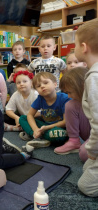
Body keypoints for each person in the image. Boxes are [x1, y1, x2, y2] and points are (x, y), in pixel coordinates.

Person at [74, 18, 98, 197]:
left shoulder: (94, 78)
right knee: (85, 168)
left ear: (83, 47)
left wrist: (92, 151)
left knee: (86, 187)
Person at [19, 72, 71, 149]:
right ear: (37, 90)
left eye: (46, 83)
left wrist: (46, 128)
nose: (42, 86)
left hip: (60, 128)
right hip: (45, 127)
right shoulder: (40, 98)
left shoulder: (64, 99)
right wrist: (36, 129)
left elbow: (65, 122)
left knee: (57, 134)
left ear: (55, 84)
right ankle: (36, 136)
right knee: (22, 118)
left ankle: (40, 137)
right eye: (38, 86)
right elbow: (30, 115)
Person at [54, 67, 90, 158]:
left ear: (82, 87)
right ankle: (74, 141)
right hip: (90, 136)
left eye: (70, 92)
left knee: (85, 154)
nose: (68, 96)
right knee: (70, 105)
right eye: (66, 93)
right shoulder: (73, 103)